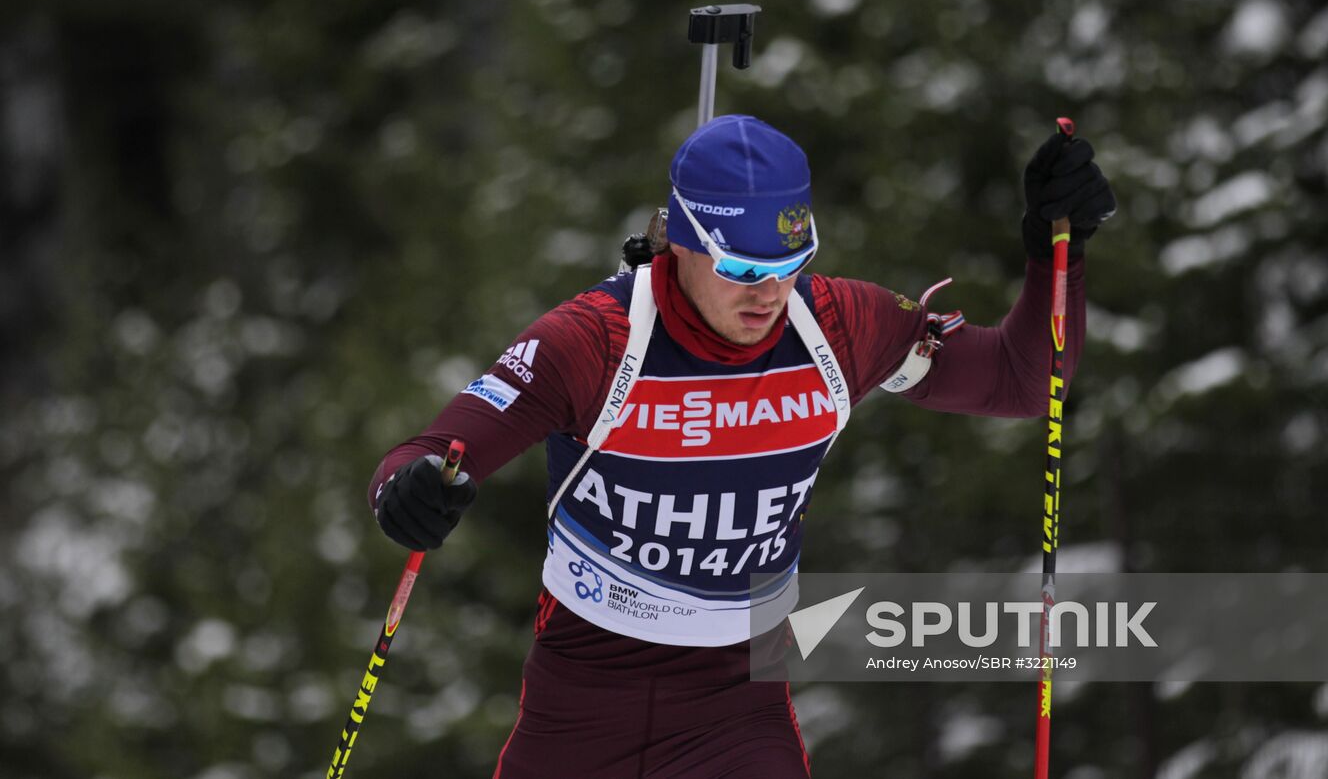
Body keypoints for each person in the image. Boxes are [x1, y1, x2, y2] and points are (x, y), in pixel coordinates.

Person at [366, 114, 1116, 778]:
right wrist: (411, 493)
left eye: (788, 267)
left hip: (737, 708)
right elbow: (431, 451)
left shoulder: (839, 327)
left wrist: (1058, 255)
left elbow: (1023, 383)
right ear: (682, 241)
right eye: (743, 270)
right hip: (583, 699)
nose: (766, 295)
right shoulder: (595, 342)